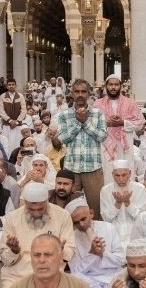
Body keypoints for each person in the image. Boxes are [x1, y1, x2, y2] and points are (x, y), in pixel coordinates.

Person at [0, 182, 75, 286]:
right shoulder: (12, 218)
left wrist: (60, 251)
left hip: (50, 277)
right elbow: (5, 260)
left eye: (40, 209)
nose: (36, 213)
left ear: (46, 202)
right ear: (25, 203)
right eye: (31, 209)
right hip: (17, 277)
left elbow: (70, 251)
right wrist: (14, 251)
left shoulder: (62, 216)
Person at [56, 79, 108, 218]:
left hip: (93, 168)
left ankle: (95, 237)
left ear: (89, 94)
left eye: (83, 91)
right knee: (68, 209)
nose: (80, 95)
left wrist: (86, 122)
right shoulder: (64, 115)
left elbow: (102, 136)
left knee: (95, 209)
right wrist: (79, 123)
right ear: (71, 93)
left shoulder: (98, 113)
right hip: (71, 168)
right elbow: (62, 139)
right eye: (77, 91)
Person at [94, 74, 144, 181]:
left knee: (125, 170)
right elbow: (92, 124)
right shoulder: (98, 104)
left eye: (116, 84)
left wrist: (123, 122)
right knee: (107, 172)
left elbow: (139, 123)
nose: (113, 87)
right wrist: (107, 123)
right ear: (106, 86)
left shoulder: (130, 103)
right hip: (105, 145)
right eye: (110, 84)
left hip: (125, 146)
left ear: (120, 86)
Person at [67, 198, 125, 288]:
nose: (81, 225)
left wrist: (102, 254)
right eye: (76, 222)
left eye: (83, 219)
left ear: (91, 213)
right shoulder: (71, 238)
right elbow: (76, 271)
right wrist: (92, 254)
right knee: (74, 277)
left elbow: (121, 260)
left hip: (113, 276)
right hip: (91, 280)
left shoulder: (109, 227)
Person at [9, 233, 88, 288]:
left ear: (60, 257)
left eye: (48, 254)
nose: (42, 260)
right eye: (37, 255)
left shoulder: (79, 286)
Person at [99, 159, 146, 240]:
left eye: (124, 175)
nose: (121, 179)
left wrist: (128, 203)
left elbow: (141, 219)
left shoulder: (140, 189)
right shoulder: (105, 190)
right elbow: (106, 219)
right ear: (112, 175)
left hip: (135, 231)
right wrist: (117, 204)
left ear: (130, 173)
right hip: (113, 232)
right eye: (117, 175)